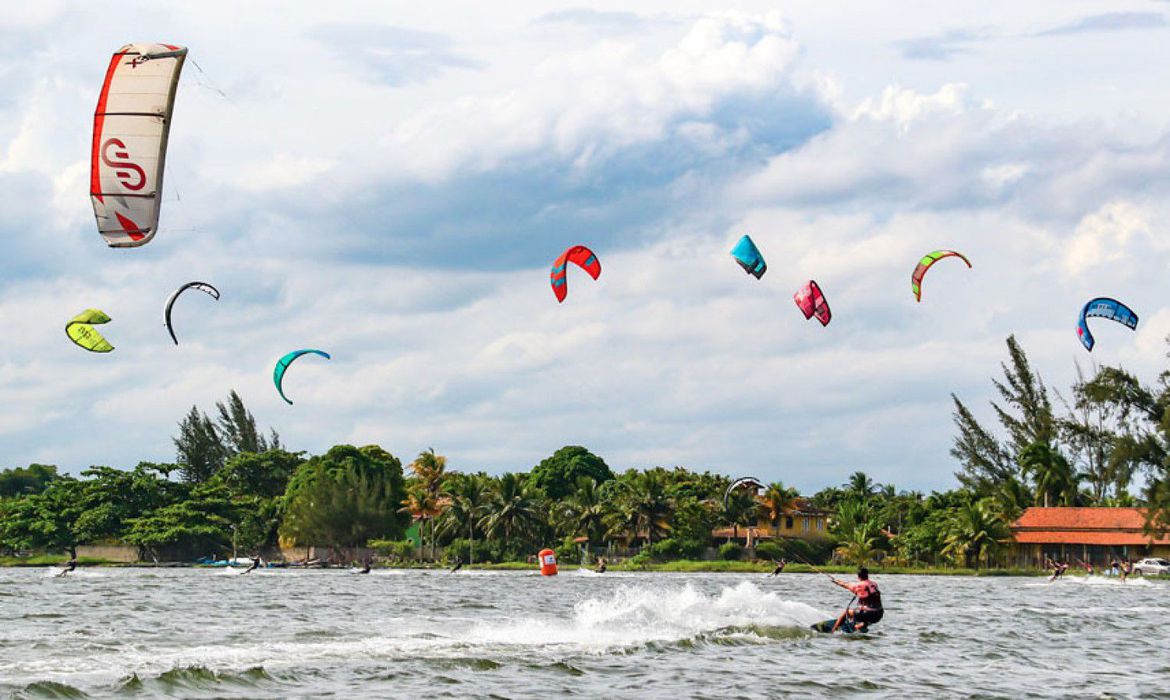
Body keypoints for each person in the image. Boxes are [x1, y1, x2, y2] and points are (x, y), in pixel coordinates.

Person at [831, 567, 883, 632]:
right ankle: (857, 627)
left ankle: (833, 630)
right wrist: (838, 581)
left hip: (869, 614)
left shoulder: (859, 585)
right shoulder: (874, 584)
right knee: (862, 614)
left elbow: (845, 585)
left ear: (858, 576)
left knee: (847, 613)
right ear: (867, 575)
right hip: (879, 614)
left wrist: (836, 582)